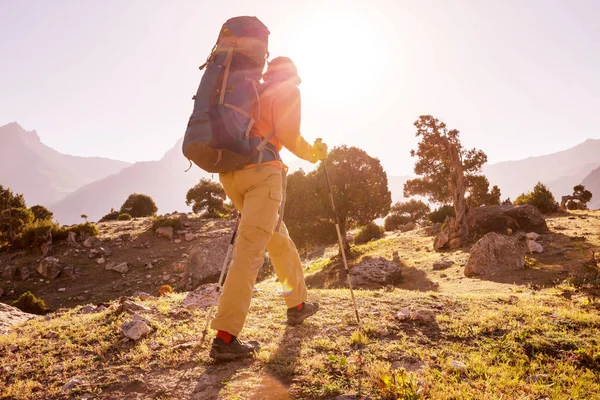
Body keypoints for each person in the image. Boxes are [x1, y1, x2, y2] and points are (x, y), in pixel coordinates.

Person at [209, 57, 328, 361]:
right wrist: (314, 154)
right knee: (250, 251)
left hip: (233, 175)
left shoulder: (251, 92)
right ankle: (225, 337)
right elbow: (289, 135)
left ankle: (297, 304)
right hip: (263, 174)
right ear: (291, 75)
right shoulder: (287, 90)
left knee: (279, 241)